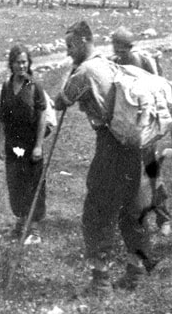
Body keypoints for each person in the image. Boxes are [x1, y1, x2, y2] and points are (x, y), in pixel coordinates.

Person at [54, 20, 159, 294]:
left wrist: (70, 73)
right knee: (132, 208)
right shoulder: (109, 64)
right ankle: (135, 273)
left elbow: (61, 100)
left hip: (110, 146)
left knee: (97, 212)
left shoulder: (85, 71)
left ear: (83, 42)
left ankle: (100, 282)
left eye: (70, 46)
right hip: (132, 144)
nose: (68, 52)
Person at [112, 26, 172, 236]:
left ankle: (163, 217)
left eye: (122, 48)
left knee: (150, 172)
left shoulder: (141, 60)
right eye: (116, 47)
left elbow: (158, 86)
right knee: (127, 175)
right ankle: (131, 219)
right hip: (127, 125)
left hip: (145, 126)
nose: (118, 51)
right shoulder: (116, 62)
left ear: (130, 46)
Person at [0, 44, 47, 245]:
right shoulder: (7, 86)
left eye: (24, 62)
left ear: (29, 63)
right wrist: (0, 143)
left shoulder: (35, 86)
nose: (21, 66)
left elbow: (42, 117)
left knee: (33, 183)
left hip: (31, 143)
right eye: (17, 62)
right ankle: (20, 222)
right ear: (12, 64)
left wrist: (39, 145)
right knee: (15, 183)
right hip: (13, 144)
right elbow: (1, 118)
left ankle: (34, 228)